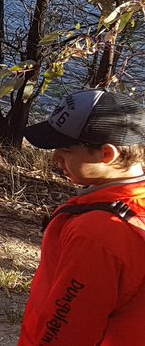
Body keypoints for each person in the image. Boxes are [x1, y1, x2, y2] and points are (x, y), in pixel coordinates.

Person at [19, 90, 145, 345]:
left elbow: (69, 329)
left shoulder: (97, 233)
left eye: (65, 150)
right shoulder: (132, 204)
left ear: (107, 155)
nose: (55, 158)